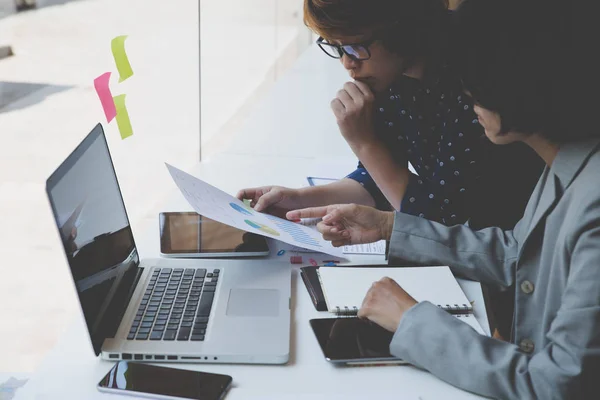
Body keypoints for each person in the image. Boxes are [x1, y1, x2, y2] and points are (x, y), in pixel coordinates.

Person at [287, 0, 600, 398]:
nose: (466, 93)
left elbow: (552, 385)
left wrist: (413, 321)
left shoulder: (591, 204)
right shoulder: (567, 164)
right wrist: (388, 226)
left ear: (519, 83)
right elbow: (515, 252)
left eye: (474, 82)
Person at [238, 0, 543, 338]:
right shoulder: (392, 74)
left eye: (356, 46)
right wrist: (298, 201)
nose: (346, 63)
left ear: (402, 28)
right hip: (471, 259)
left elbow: (435, 224)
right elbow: (378, 179)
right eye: (336, 46)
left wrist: (364, 143)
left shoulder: (474, 82)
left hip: (509, 264)